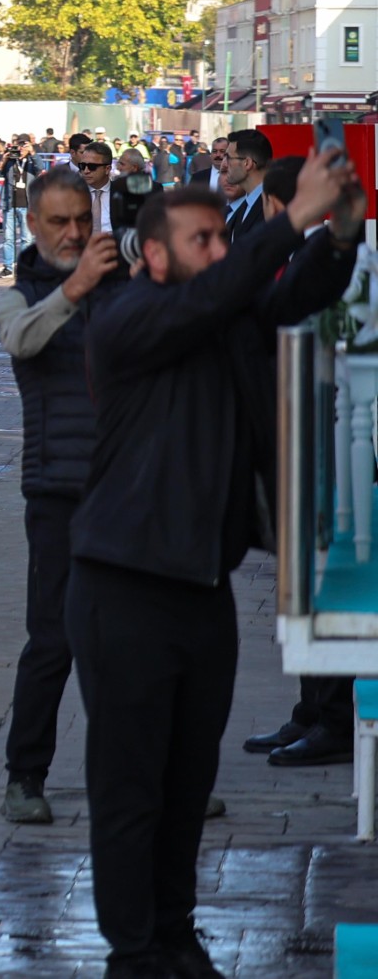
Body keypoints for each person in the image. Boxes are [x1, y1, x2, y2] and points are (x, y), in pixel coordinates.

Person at [69, 155, 363, 978]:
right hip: (122, 584)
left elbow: (293, 293)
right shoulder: (125, 317)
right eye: (202, 240)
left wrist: (338, 232)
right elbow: (217, 297)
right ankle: (132, 952)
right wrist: (287, 221)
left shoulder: (228, 314)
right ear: (154, 255)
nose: (218, 253)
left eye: (219, 237)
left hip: (202, 590)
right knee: (131, 789)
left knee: (188, 782)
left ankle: (174, 933)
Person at [0, 167, 127, 825]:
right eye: (59, 222)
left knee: (133, 642)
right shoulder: (18, 298)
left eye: (83, 219)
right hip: (57, 491)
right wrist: (75, 288)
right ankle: (25, 776)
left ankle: (146, 773)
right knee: (52, 640)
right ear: (34, 226)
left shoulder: (127, 286)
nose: (74, 232)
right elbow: (22, 341)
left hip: (130, 490)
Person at [241, 155, 358, 771]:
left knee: (327, 580)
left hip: (335, 438)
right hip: (303, 434)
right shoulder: (305, 254)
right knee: (304, 586)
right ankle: (311, 710)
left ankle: (333, 716)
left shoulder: (341, 255)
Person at [222, 127, 272, 240]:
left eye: (229, 157)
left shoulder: (274, 204)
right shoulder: (241, 209)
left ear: (247, 163)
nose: (224, 164)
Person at [0, 140, 36, 276]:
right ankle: (8, 267)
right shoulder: (9, 162)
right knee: (8, 238)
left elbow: (41, 167)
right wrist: (4, 158)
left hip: (28, 205)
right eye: (18, 148)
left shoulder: (31, 162)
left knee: (27, 239)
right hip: (10, 204)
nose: (20, 151)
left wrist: (32, 152)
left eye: (23, 148)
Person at [71, 141, 115, 234]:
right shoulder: (73, 194)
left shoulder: (120, 194)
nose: (86, 171)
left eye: (92, 166)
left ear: (107, 169)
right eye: (82, 166)